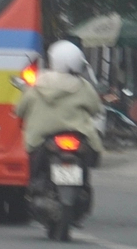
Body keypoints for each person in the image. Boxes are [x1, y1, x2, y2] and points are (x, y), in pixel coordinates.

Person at [14, 40, 103, 194]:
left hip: (41, 139)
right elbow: (96, 109)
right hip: (78, 137)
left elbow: (20, 109)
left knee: (33, 168)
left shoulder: (37, 84)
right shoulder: (83, 86)